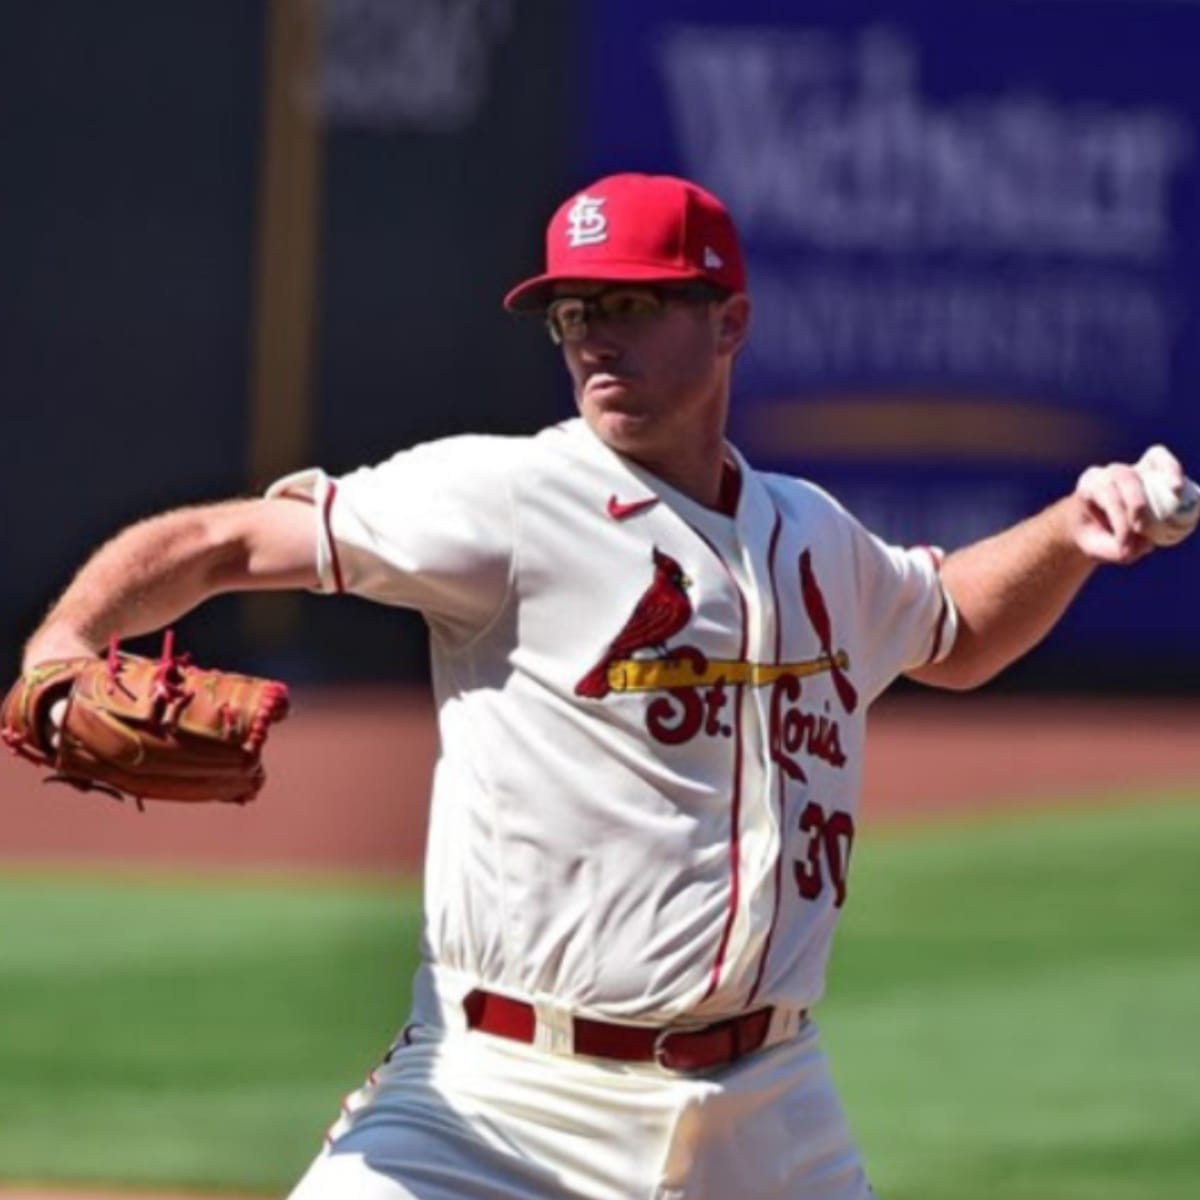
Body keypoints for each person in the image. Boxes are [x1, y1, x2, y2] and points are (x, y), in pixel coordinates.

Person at [21, 172, 1194, 1200]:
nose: (596, 338)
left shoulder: (810, 535)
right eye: (575, 313)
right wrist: (65, 638)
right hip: (498, 1100)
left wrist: (1074, 529)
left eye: (632, 304)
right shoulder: (506, 499)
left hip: (766, 1109)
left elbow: (950, 625)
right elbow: (232, 542)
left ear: (729, 321)